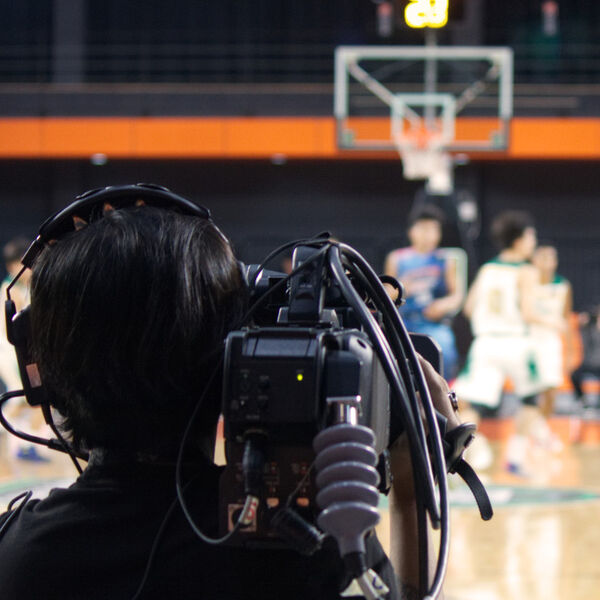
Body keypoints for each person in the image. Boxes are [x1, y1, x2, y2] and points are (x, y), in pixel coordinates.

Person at [0, 187, 463, 600]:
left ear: (44, 374)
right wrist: (409, 482)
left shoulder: (19, 555)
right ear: (233, 362)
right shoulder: (301, 552)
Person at [455, 211, 563, 474]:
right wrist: (553, 322)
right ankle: (515, 457)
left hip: (485, 343)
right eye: (530, 236)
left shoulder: (487, 268)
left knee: (474, 404)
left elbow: (468, 308)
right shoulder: (526, 271)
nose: (533, 241)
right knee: (529, 401)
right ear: (519, 239)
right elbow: (527, 312)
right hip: (515, 343)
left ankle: (469, 449)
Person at [384, 205, 463, 381]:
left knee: (445, 347)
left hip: (432, 323)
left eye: (433, 229)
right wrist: (403, 288)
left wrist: (442, 305)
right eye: (424, 229)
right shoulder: (398, 258)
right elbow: (386, 295)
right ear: (412, 231)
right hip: (403, 321)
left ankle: (444, 390)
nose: (428, 234)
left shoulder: (445, 259)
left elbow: (456, 296)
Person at [0, 237, 50, 461]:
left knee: (33, 395)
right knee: (23, 393)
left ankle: (24, 446)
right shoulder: (11, 291)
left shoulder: (27, 287)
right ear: (15, 266)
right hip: (9, 350)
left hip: (22, 349)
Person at [530, 244, 574, 419]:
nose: (548, 262)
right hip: (529, 338)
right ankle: (529, 430)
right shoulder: (527, 284)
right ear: (534, 260)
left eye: (551, 258)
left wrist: (569, 351)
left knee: (551, 388)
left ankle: (543, 426)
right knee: (531, 390)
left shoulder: (562, 286)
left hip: (550, 341)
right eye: (543, 257)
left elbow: (567, 319)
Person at [570, 307, 600, 410]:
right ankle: (581, 400)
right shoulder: (589, 328)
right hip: (589, 363)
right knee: (574, 374)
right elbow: (581, 323)